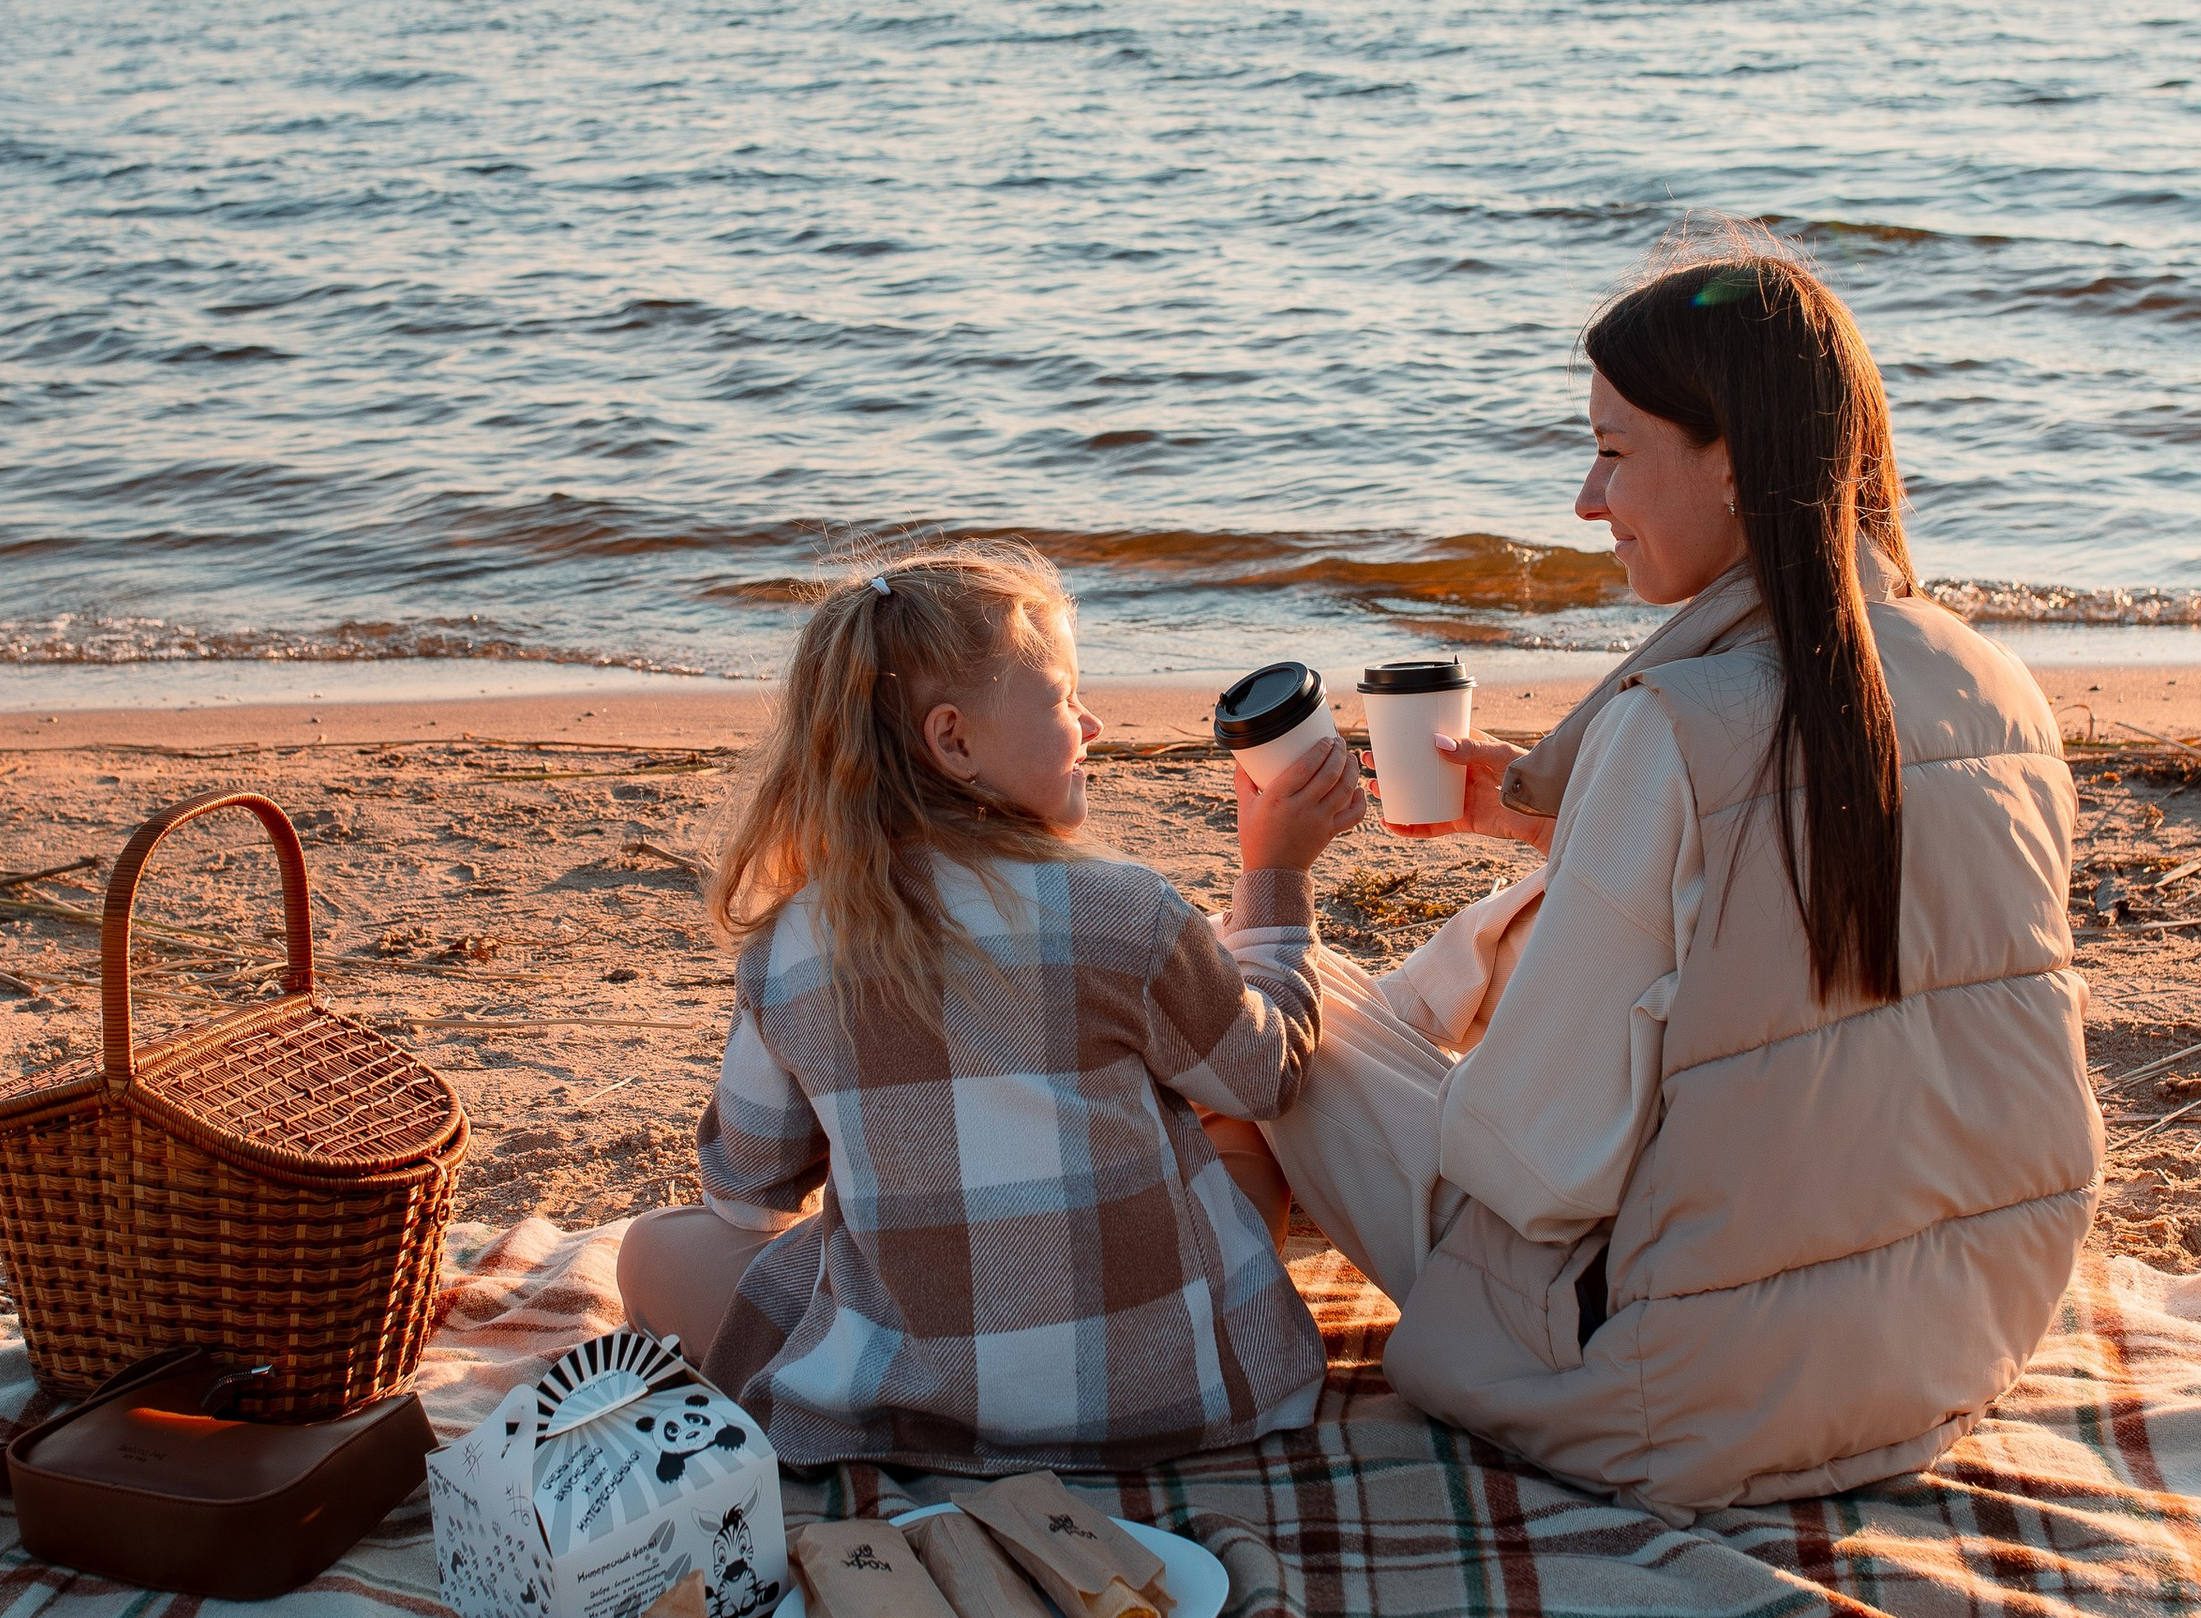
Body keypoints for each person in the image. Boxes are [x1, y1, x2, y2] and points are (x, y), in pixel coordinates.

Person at [1254, 244, 2105, 1517]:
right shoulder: (1994, 681)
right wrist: (1572, 838)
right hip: (1955, 1345)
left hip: (1684, 1394)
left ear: (1732, 457)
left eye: (1612, 449)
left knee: (1276, 1006)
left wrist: (1289, 922)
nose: (1588, 499)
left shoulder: (1674, 727)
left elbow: (1536, 1168)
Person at [616, 538, 1366, 1470]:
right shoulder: (1128, 909)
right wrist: (1277, 875)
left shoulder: (794, 946)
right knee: (1238, 1133)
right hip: (1173, 1400)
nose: (1090, 722)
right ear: (953, 740)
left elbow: (745, 1192)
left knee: (652, 1251)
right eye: (1060, 699)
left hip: (913, 1412)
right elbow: (1268, 1073)